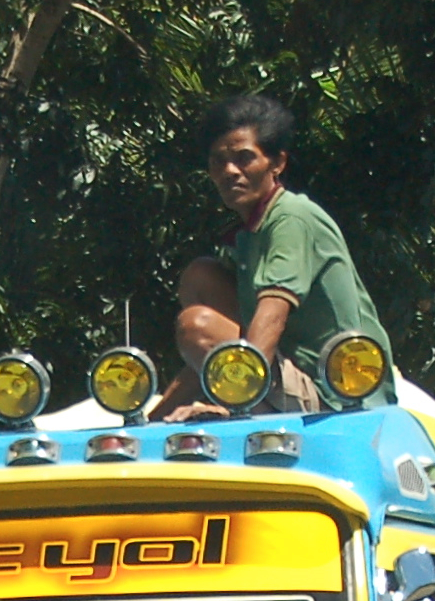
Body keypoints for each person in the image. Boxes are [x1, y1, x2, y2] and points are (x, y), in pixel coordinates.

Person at [154, 93, 396, 420]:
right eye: (218, 161)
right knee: (201, 276)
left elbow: (272, 316)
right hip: (279, 373)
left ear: (277, 163)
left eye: (244, 158)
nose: (230, 171)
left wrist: (230, 404)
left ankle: (245, 399)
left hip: (337, 398)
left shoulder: (290, 217)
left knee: (197, 325)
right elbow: (216, 358)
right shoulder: (251, 233)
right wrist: (152, 423)